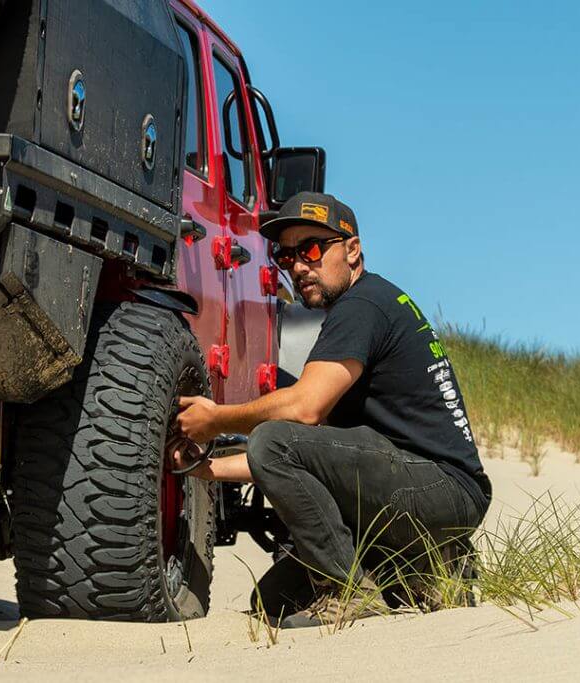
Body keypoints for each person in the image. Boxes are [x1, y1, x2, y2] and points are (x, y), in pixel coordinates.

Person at [171, 191, 492, 628]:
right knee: (273, 601)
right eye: (286, 256)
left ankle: (349, 592)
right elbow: (306, 458)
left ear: (353, 249)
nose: (299, 266)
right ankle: (425, 568)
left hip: (441, 491)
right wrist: (208, 470)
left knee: (273, 436)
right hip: (418, 490)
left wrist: (216, 420)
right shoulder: (363, 307)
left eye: (312, 249)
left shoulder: (363, 305)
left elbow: (304, 411)